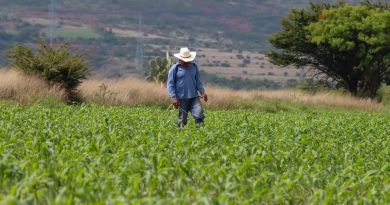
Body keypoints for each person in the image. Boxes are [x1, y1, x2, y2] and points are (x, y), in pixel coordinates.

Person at [167, 47, 208, 127]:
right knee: (182, 120)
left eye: (189, 60)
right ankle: (180, 134)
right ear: (180, 59)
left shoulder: (194, 67)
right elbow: (170, 84)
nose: (187, 62)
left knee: (199, 115)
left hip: (194, 97)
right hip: (181, 98)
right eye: (185, 60)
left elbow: (198, 81)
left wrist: (202, 92)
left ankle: (201, 134)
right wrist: (174, 98)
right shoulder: (175, 68)